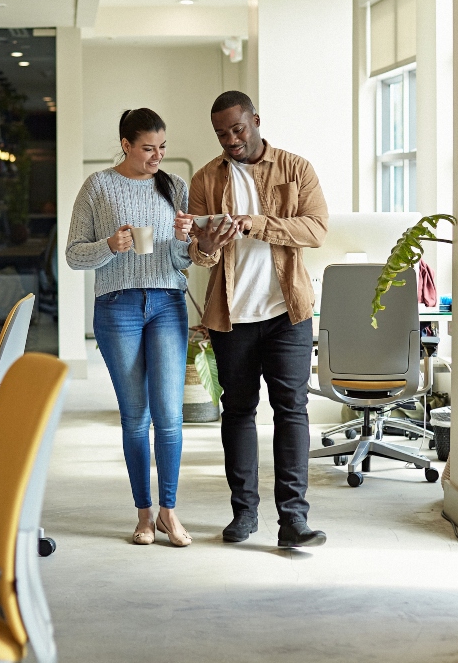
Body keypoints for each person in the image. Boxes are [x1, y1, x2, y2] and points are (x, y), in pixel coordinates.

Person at [188, 90, 329, 549]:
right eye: (222, 133)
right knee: (238, 412)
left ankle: (294, 520)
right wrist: (208, 241)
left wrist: (255, 223)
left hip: (287, 311)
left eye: (238, 129)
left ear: (255, 120)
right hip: (232, 315)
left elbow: (316, 229)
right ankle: (243, 514)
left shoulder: (296, 168)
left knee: (292, 410)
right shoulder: (207, 178)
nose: (230, 139)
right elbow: (200, 257)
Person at [66, 108, 195, 547]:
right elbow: (73, 255)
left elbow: (183, 263)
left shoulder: (175, 186)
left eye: (162, 147)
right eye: (147, 148)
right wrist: (109, 245)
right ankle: (143, 515)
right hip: (117, 306)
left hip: (167, 303)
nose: (157, 155)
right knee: (136, 417)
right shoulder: (99, 186)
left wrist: (182, 241)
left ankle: (169, 514)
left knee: (170, 416)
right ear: (125, 144)